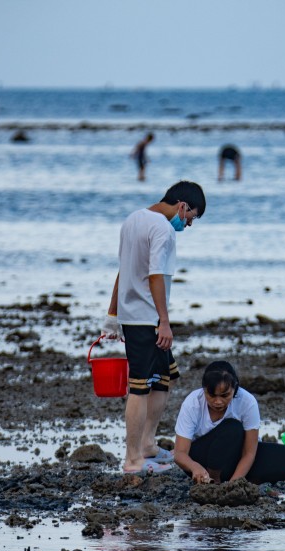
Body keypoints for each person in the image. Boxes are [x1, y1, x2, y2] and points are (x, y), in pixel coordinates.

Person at [103, 181, 206, 474]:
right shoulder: (162, 229)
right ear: (182, 206)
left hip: (134, 315)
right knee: (139, 386)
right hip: (145, 319)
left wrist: (113, 313)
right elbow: (155, 276)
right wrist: (164, 321)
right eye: (191, 218)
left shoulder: (133, 219)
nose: (188, 225)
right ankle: (133, 459)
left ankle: (148, 444)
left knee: (166, 377)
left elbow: (124, 269)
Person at [173, 360, 285, 484]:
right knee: (232, 428)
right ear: (204, 390)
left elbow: (249, 453)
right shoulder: (192, 403)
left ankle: (240, 479)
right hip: (202, 461)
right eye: (212, 395)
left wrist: (234, 485)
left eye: (225, 395)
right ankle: (214, 480)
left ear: (235, 388)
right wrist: (195, 467)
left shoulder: (247, 402)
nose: (218, 401)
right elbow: (180, 453)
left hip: (236, 460)